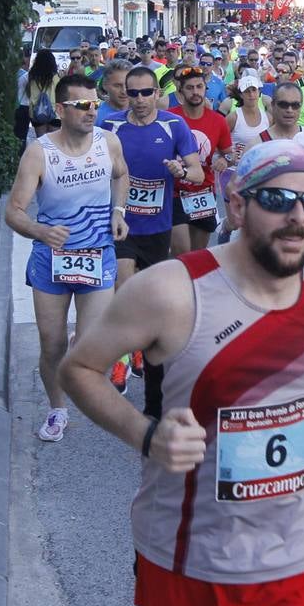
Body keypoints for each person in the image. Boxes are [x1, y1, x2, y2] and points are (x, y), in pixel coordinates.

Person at [57, 141, 304, 606]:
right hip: (189, 549)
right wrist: (146, 435)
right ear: (238, 205)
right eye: (279, 200)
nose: (298, 217)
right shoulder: (170, 290)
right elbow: (78, 368)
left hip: (292, 549)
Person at [4, 74, 130, 442]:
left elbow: (121, 175)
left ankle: (80, 344)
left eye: (95, 104)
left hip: (98, 253)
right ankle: (58, 408)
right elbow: (13, 211)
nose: (92, 111)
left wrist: (118, 210)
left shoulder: (108, 142)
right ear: (61, 110)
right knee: (52, 345)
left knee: (91, 344)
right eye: (82, 106)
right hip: (51, 261)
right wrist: (41, 231)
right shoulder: (40, 152)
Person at [104, 65, 202, 391]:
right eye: (133, 93)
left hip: (158, 224)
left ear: (157, 93)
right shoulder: (110, 126)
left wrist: (181, 171)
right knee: (123, 285)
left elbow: (198, 173)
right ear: (124, 94)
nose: (141, 99)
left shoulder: (174, 125)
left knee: (148, 297)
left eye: (147, 92)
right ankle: (120, 358)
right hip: (122, 224)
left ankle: (139, 346)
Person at [168, 65, 234, 256]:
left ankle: (192, 285)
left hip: (204, 192)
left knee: (198, 254)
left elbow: (229, 154)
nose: (195, 92)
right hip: (175, 193)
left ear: (205, 89)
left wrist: (224, 160)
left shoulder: (218, 121)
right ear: (181, 92)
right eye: (190, 88)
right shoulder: (170, 117)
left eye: (199, 87)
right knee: (181, 252)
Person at [26, 49, 62, 138]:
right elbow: (60, 93)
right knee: (53, 142)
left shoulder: (32, 77)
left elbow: (28, 93)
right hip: (54, 112)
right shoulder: (55, 77)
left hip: (37, 111)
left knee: (42, 141)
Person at [96, 58, 134, 124]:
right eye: (117, 86)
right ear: (105, 85)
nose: (124, 91)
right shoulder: (95, 116)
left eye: (128, 85)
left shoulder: (143, 113)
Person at [14, 49, 32, 156]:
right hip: (25, 106)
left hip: (16, 106)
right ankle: (20, 156)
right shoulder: (26, 75)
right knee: (22, 135)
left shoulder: (10, 75)